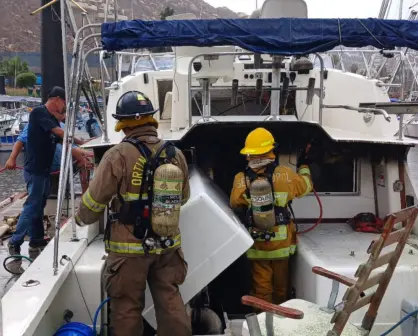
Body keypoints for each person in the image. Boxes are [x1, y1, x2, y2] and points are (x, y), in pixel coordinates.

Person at [75, 91, 191, 336]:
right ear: (151, 120)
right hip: (167, 245)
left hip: (129, 250)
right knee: (170, 300)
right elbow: (183, 197)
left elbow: (94, 203)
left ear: (123, 124)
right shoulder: (175, 154)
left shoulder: (117, 155)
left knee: (127, 307)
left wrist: (80, 218)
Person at [230, 127, 313, 305]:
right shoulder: (285, 174)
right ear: (271, 151)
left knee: (261, 289)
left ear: (249, 154)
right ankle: (280, 322)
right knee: (281, 288)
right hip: (282, 245)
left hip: (258, 244)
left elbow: (235, 203)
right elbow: (306, 186)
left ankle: (263, 323)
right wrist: (304, 166)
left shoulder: (240, 179)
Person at [8, 86, 68, 258]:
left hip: (45, 170)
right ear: (56, 100)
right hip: (35, 170)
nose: (63, 111)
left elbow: (64, 141)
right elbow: (21, 140)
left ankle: (36, 239)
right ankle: (15, 241)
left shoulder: (54, 122)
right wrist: (12, 158)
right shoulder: (39, 114)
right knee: (32, 205)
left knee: (39, 205)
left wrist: (82, 149)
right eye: (63, 105)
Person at [4, 120, 93, 193]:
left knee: (85, 162)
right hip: (39, 170)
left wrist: (87, 153)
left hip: (61, 168)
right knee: (37, 199)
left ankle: (84, 195)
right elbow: (20, 141)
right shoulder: (36, 124)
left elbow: (71, 147)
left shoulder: (62, 126)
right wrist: (12, 158)